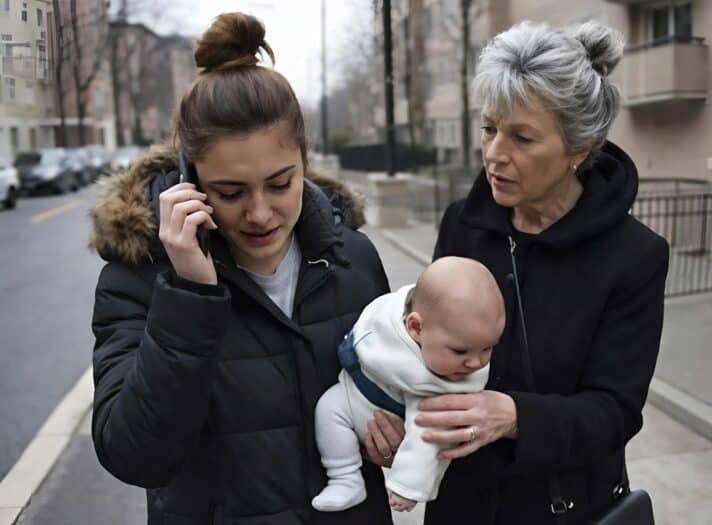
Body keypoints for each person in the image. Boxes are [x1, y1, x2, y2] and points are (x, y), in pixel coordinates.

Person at [89, 13, 395, 524]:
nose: (258, 213)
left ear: (305, 161)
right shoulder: (140, 276)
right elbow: (134, 454)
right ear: (190, 179)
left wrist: (395, 432)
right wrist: (190, 295)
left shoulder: (353, 259)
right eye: (229, 192)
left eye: (280, 184)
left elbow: (398, 386)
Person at [414, 21, 670, 524]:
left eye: (522, 137)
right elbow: (422, 343)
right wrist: (383, 405)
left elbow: (615, 410)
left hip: (564, 508)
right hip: (460, 505)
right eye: (489, 128)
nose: (493, 154)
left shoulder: (634, 256)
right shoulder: (463, 225)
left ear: (580, 147)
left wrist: (515, 418)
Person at [312, 256, 505, 514]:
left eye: (487, 348)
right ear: (415, 327)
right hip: (353, 397)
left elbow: (427, 437)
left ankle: (351, 478)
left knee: (429, 427)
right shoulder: (390, 316)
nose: (475, 362)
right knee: (328, 409)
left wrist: (407, 486)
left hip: (400, 425)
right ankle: (345, 477)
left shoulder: (446, 384)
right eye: (460, 351)